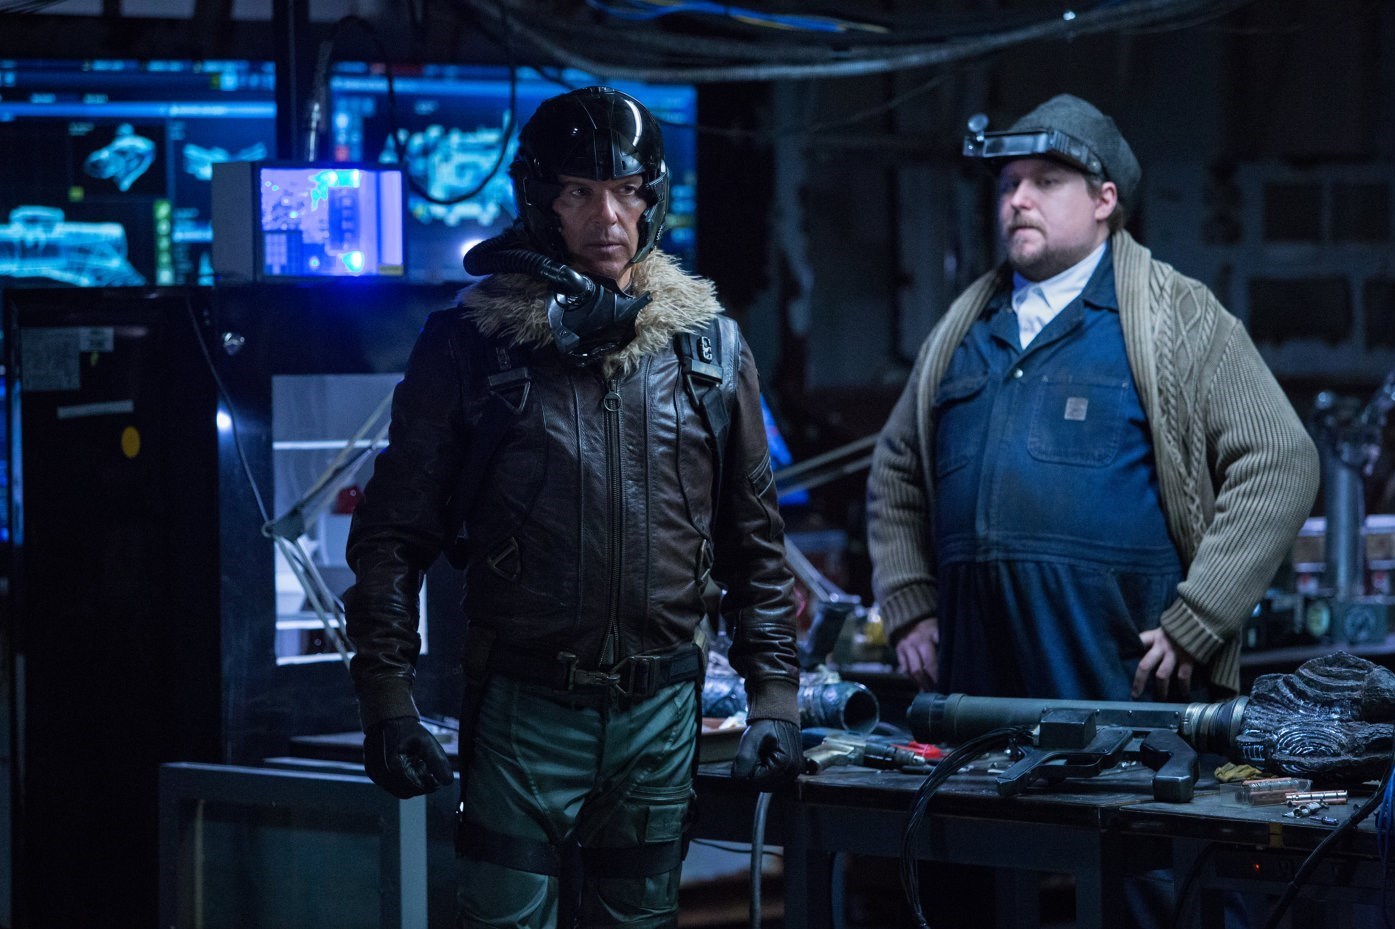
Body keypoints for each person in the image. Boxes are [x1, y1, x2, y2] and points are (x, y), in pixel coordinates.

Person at [343, 86, 803, 929]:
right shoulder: (471, 347)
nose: (608, 216)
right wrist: (385, 696)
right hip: (524, 711)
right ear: (539, 200)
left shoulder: (707, 349)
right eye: (578, 192)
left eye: (626, 190)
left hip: (661, 712)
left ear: (652, 199)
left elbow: (754, 542)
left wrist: (774, 691)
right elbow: (391, 536)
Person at [867, 93, 1320, 705]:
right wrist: (909, 602)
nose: (1018, 200)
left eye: (1046, 182)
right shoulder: (962, 330)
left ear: (1104, 200)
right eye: (1009, 184)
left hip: (1122, 698)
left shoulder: (1177, 318)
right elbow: (896, 468)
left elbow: (1281, 459)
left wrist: (1202, 617)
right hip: (974, 700)